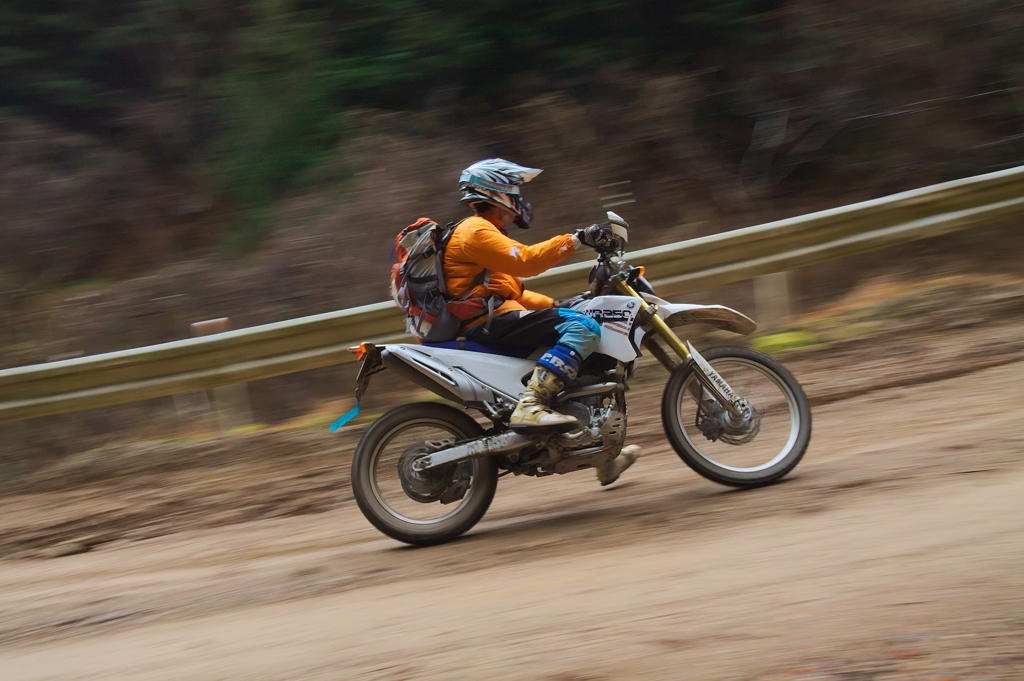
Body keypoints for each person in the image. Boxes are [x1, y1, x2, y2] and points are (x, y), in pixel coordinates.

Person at [443, 159, 637, 485]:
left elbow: (514, 291)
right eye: (514, 190)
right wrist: (578, 239)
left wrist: (561, 304)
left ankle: (601, 454)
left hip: (494, 316)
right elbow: (529, 262)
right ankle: (530, 404)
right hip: (484, 323)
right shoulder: (475, 231)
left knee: (583, 339)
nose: (519, 199)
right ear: (497, 192)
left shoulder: (488, 233)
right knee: (585, 329)